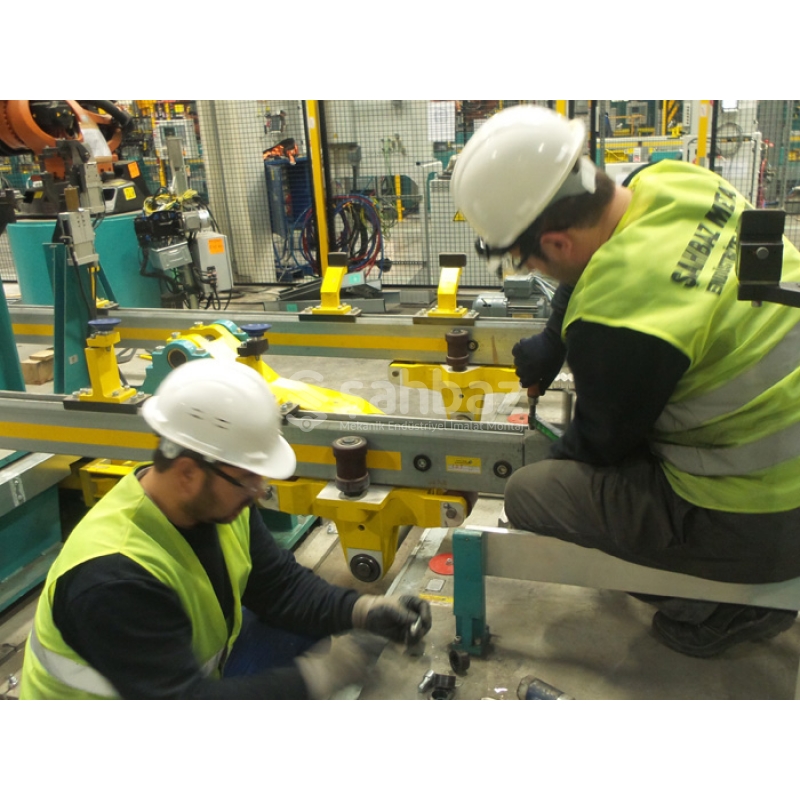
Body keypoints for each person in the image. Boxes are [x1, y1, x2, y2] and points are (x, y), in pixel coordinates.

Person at [451, 104, 800, 658]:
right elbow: (603, 252)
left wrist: (553, 454)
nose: (532, 270)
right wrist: (554, 339)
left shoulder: (618, 320)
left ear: (557, 243)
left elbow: (595, 448)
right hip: (781, 462)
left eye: (526, 260)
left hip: (762, 522)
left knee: (533, 495)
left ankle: (725, 604)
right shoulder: (672, 180)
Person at [20, 358, 431, 699]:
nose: (259, 491)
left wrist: (362, 611)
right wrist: (320, 676)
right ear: (188, 474)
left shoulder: (214, 504)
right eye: (248, 478)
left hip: (175, 681)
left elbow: (279, 587)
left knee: (309, 632)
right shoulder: (113, 580)